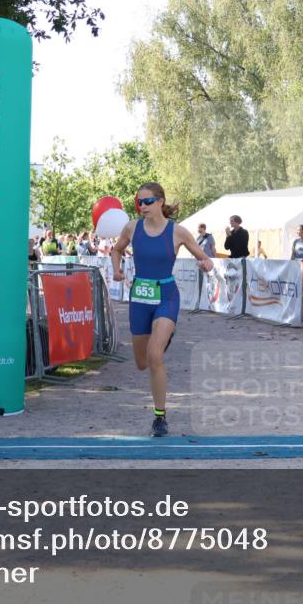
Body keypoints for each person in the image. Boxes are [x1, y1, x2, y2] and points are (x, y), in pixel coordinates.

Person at [111, 182, 214, 437]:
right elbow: (116, 249)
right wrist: (116, 269)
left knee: (155, 355)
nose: (142, 206)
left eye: (147, 201)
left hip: (166, 296)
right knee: (142, 363)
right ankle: (160, 338)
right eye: (139, 202)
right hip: (140, 297)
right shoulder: (132, 228)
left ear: (160, 202)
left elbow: (204, 257)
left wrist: (207, 263)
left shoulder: (178, 232)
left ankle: (160, 417)